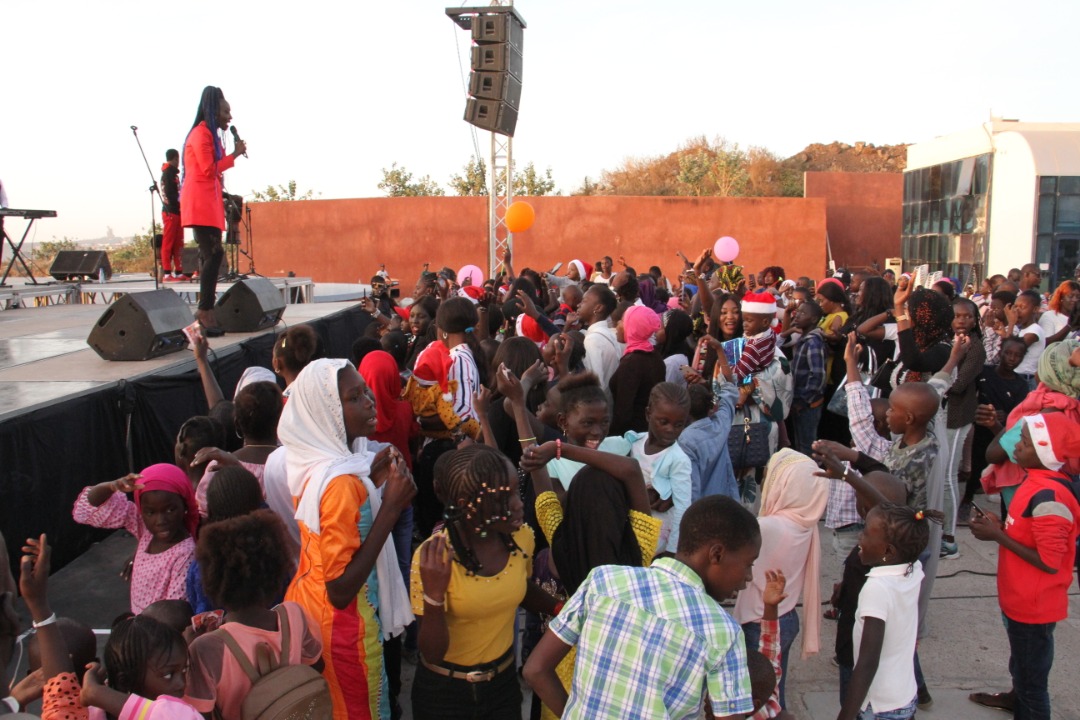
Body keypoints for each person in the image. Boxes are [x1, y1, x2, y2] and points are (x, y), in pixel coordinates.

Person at [523, 495, 758, 720]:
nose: (748, 577)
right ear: (716, 554)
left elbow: (535, 670)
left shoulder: (603, 581)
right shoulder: (724, 632)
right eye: (748, 564)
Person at [279, 358, 416, 720]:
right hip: (344, 626)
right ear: (327, 412)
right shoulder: (341, 482)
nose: (369, 401)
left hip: (311, 607)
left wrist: (371, 476)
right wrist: (390, 508)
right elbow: (340, 589)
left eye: (365, 390)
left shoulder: (322, 463)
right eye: (354, 397)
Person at [410, 444, 556, 720]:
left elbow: (520, 588)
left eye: (516, 490)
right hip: (444, 696)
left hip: (502, 687)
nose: (518, 503)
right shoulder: (433, 557)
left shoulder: (521, 537)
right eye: (504, 497)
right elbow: (432, 653)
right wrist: (433, 595)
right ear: (467, 506)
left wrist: (561, 608)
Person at [969, 413, 1080, 719]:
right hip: (1019, 599)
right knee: (1022, 664)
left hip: (1034, 606)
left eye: (1025, 442)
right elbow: (1027, 533)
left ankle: (1025, 705)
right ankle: (1014, 698)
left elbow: (1049, 561)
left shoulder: (1049, 497)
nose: (1015, 446)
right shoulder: (1035, 482)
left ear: (1046, 452)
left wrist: (997, 537)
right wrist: (999, 527)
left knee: (1033, 685)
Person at [185, 511, 326, 720]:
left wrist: (188, 649)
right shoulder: (293, 615)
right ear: (277, 570)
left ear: (212, 580)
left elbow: (197, 714)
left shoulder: (207, 648)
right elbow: (317, 665)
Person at [733, 449, 828, 708]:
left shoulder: (767, 527)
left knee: (757, 697)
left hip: (759, 623)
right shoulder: (805, 524)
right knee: (774, 689)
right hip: (786, 618)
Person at [837, 504, 942, 720]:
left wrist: (845, 716)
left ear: (888, 551)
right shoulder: (913, 568)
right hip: (904, 694)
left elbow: (868, 662)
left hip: (879, 705)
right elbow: (905, 522)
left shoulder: (877, 588)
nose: (860, 537)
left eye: (865, 533)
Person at [72, 464, 198, 614]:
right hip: (140, 624)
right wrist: (112, 486)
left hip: (158, 631)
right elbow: (87, 507)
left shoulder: (185, 554)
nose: (160, 520)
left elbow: (173, 613)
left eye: (170, 510)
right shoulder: (145, 529)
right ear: (141, 511)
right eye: (150, 512)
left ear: (185, 505)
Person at [180, 86, 246, 335]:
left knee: (213, 255)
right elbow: (208, 169)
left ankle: (206, 310)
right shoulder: (200, 134)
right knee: (213, 255)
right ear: (212, 110)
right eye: (225, 111)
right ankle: (204, 311)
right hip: (199, 201)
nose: (229, 116)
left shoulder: (211, 135)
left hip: (209, 201)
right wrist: (234, 155)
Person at [940, 297, 985, 559]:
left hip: (957, 415)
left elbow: (958, 384)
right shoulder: (949, 342)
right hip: (943, 412)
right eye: (958, 316)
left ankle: (950, 537)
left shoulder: (975, 348)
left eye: (968, 316)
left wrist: (937, 379)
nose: (963, 321)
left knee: (949, 474)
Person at [623, 382, 693, 553]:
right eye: (664, 422)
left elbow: (683, 507)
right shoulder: (635, 443)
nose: (671, 430)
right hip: (631, 524)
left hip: (657, 536)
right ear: (648, 414)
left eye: (679, 425)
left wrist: (672, 550)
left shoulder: (678, 460)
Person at [679, 381, 740, 502]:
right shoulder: (720, 423)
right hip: (729, 503)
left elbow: (692, 487)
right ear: (709, 408)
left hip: (705, 510)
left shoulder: (685, 440)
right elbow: (729, 395)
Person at [609, 305, 665, 435]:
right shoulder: (654, 355)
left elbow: (623, 413)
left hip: (632, 436)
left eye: (623, 320)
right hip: (646, 431)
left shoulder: (631, 363)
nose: (618, 324)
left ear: (633, 327)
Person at [788, 300, 827, 456]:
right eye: (797, 311)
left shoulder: (813, 342)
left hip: (808, 404)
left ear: (813, 319)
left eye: (803, 313)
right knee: (800, 442)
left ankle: (812, 474)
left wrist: (803, 400)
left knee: (807, 445)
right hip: (800, 402)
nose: (797, 315)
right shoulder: (803, 339)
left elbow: (817, 375)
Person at [578, 285, 621, 388]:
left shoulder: (592, 340)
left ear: (598, 308)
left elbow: (596, 383)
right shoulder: (611, 334)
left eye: (584, 301)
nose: (579, 304)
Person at [159, 149, 185, 281]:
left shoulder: (173, 174)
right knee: (168, 242)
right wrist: (180, 201)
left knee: (178, 243)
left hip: (177, 212)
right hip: (170, 211)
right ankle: (167, 273)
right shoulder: (168, 173)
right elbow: (170, 194)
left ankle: (179, 271)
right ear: (175, 158)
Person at [1013, 290, 1047, 389]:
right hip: (1017, 376)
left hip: (1026, 380)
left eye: (1022, 307)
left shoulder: (1035, 330)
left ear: (1035, 309)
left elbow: (1014, 348)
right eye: (1016, 307)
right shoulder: (1022, 329)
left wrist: (1011, 323)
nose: (1017, 311)